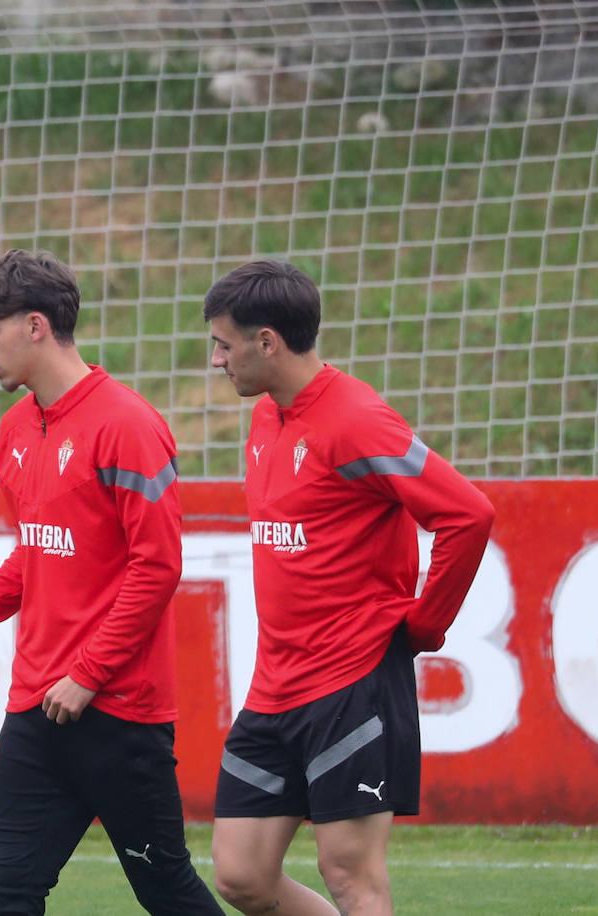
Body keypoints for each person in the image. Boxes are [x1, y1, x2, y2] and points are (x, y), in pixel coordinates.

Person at [0, 250, 224, 916]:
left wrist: (90, 672)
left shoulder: (128, 426)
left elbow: (157, 567)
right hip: (36, 709)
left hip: (120, 713)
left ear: (36, 326)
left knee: (168, 891)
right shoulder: (13, 431)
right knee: (9, 891)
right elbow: (36, 557)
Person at [202, 259, 496, 915]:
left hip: (352, 684)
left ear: (267, 342)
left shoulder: (357, 419)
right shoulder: (267, 419)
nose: (216, 359)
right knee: (242, 874)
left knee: (351, 876)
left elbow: (467, 514)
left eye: (224, 343)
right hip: (275, 685)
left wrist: (425, 626)